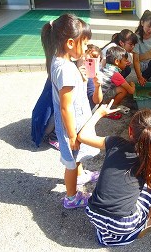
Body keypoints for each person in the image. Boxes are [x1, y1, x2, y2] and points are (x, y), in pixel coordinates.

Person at [77, 102, 151, 247]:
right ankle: (131, 233)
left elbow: (82, 136)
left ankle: (104, 236)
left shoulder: (114, 142)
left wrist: (99, 113)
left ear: (130, 131)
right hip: (124, 225)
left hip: (93, 213)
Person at [41, 13, 103, 209]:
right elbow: (65, 106)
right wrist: (72, 135)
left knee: (76, 159)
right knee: (71, 163)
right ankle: (71, 197)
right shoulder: (66, 69)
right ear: (70, 43)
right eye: (84, 44)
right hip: (71, 127)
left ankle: (81, 175)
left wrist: (85, 79)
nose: (86, 49)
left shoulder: (60, 62)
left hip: (74, 123)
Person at [99, 45, 135, 119]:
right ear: (117, 61)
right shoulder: (115, 73)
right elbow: (131, 91)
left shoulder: (106, 67)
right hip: (101, 98)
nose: (127, 62)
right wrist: (132, 84)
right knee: (123, 90)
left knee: (121, 86)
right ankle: (111, 108)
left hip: (97, 96)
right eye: (125, 60)